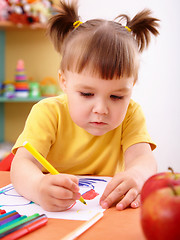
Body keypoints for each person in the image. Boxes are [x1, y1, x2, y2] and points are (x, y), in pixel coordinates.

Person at [10, 0, 160, 212]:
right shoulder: (48, 113)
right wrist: (37, 186)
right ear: (64, 81)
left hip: (105, 215)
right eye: (87, 94)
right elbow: (21, 165)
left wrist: (137, 175)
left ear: (131, 87)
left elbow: (143, 158)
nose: (101, 109)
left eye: (117, 96)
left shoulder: (131, 114)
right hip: (50, 214)